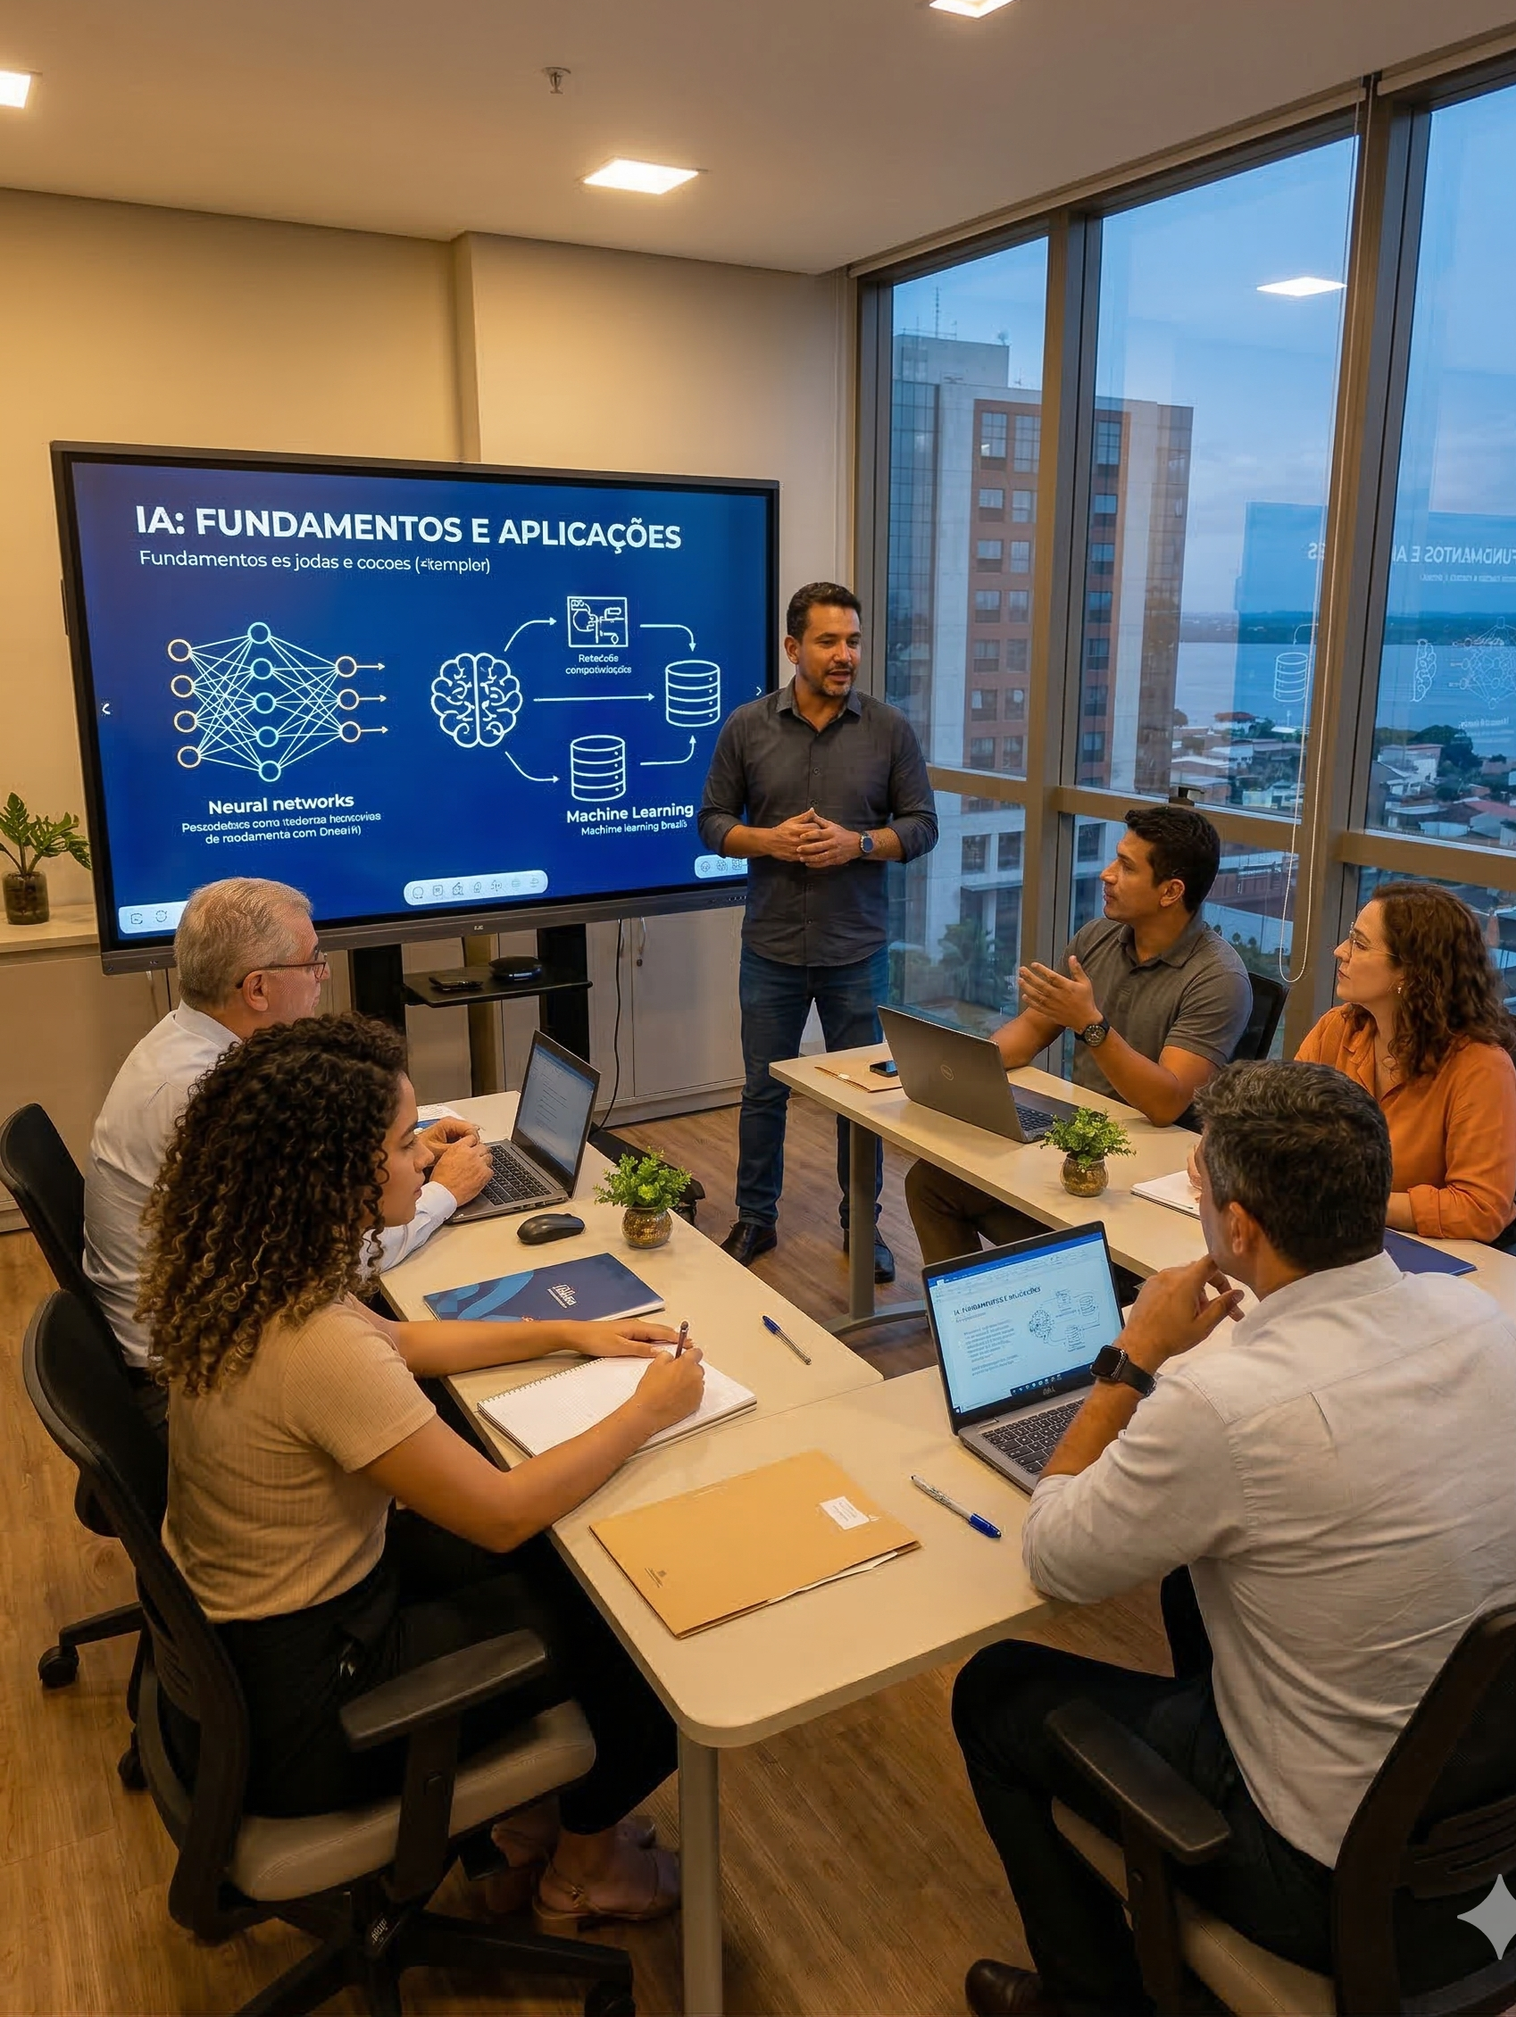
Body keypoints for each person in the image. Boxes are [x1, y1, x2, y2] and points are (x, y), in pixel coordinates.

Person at [951, 1060, 1516, 2017]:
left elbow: (1055, 1554)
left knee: (994, 1692)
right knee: (1196, 1581)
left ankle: (1093, 2002)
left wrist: (1134, 1358)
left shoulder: (1222, 1405)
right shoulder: (1480, 1321)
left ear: (1239, 1228)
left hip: (1339, 1881)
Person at [142, 1011, 699, 1922]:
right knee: (639, 1633)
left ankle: (524, 1828)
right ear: (339, 1171)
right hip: (314, 1712)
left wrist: (565, 1331)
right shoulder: (314, 1345)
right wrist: (647, 1411)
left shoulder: (252, 1272)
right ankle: (582, 1869)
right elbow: (504, 1510)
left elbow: (399, 1338)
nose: (424, 1164)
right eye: (406, 1147)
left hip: (258, 1650)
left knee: (564, 1573)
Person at [83, 878, 491, 1389]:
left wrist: (400, 1156)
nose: (322, 975)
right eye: (312, 962)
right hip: (195, 1373)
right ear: (257, 988)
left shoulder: (182, 1040)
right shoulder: (212, 1097)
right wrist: (444, 1194)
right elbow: (329, 1258)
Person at [697, 581, 937, 1279]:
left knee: (861, 1098)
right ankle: (754, 1218)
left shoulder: (889, 730)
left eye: (854, 641)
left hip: (855, 951)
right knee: (762, 1089)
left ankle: (864, 1228)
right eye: (829, 642)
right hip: (770, 943)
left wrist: (859, 846)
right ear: (793, 647)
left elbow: (922, 826)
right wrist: (768, 842)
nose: (845, 655)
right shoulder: (747, 725)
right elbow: (711, 822)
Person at [906, 806, 1250, 1266]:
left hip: (1144, 1179)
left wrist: (1090, 1024)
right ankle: (979, 1323)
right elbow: (1029, 1031)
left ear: (1171, 891)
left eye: (1127, 867)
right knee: (931, 1183)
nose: (1107, 875)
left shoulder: (1218, 977)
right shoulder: (1098, 937)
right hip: (1077, 1142)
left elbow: (1166, 1103)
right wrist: (953, 1067)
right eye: (1115, 859)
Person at [1296, 880, 1516, 1241]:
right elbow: (1274, 1121)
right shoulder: (1337, 1029)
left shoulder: (1480, 1066)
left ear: (1411, 972)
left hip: (1426, 1259)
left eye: (1359, 944)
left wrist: (1351, 1202)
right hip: (1331, 1236)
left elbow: (1481, 1208)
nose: (1340, 951)